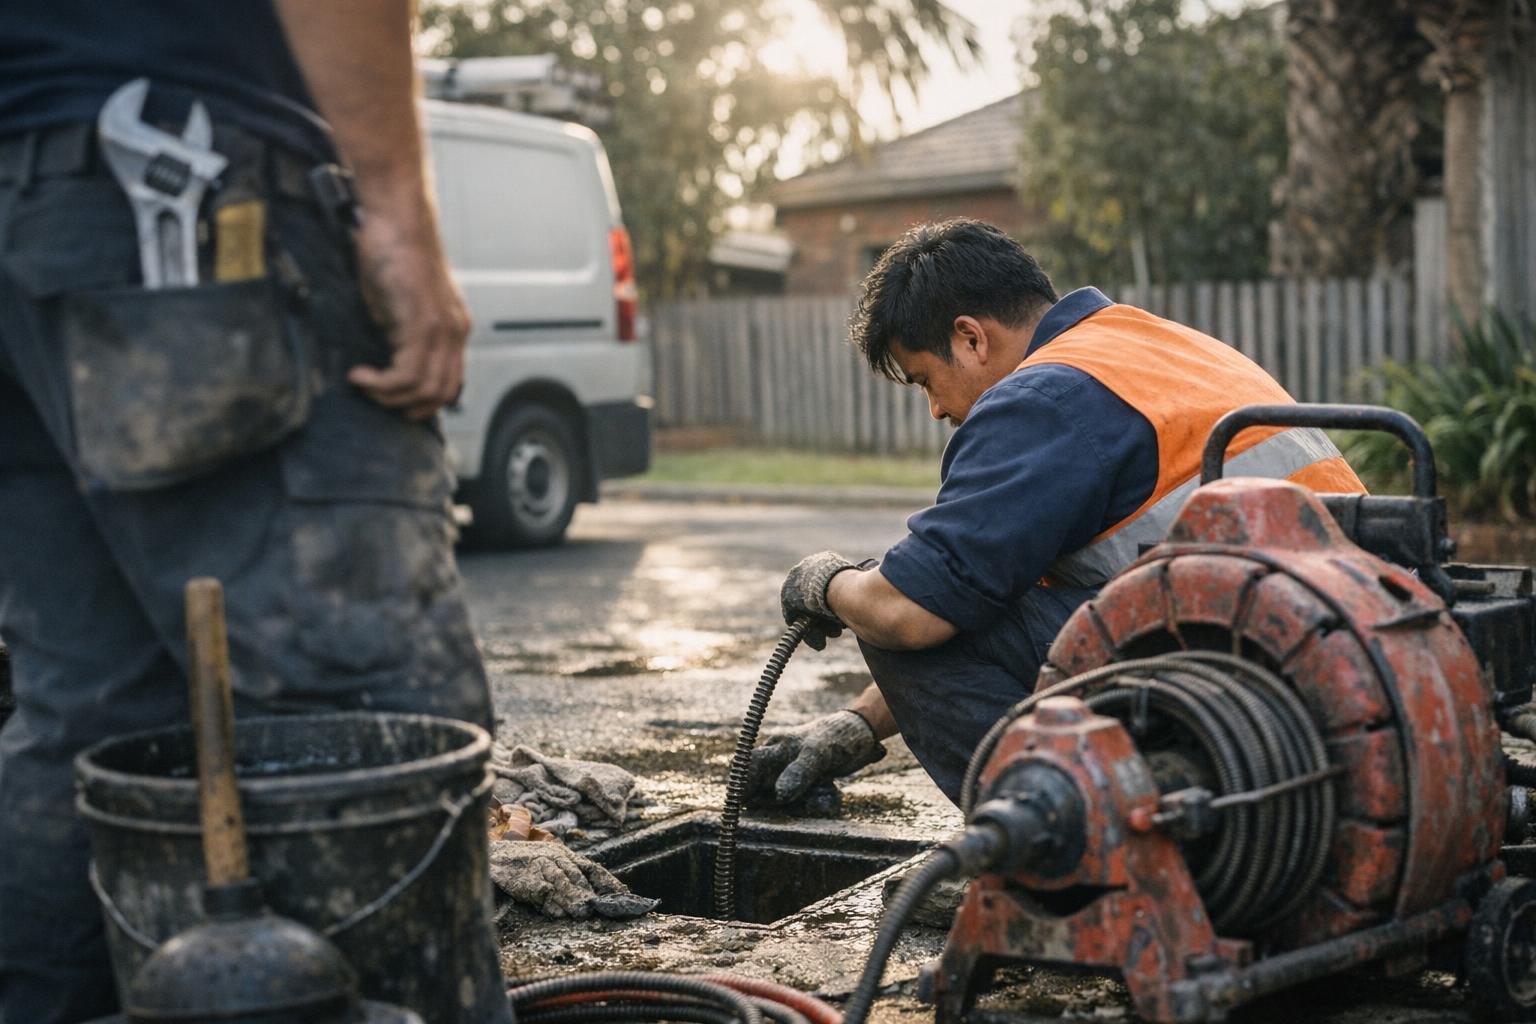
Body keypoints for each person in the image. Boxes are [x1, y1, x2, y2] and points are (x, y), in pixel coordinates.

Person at [0, 3, 508, 1022]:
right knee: (375, 727)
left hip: (36, 217)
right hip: (190, 172)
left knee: (94, 722)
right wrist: (398, 213)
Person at [749, 219, 1365, 810]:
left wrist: (827, 582)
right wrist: (858, 725)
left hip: (1265, 679)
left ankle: (1058, 865)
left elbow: (913, 616)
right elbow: (1003, 608)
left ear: (970, 338)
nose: (936, 409)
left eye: (925, 381)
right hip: (1348, 654)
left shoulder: (1043, 399)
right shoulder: (1147, 345)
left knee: (890, 614)